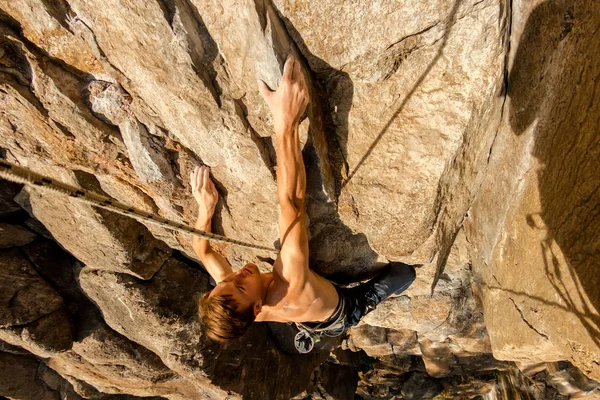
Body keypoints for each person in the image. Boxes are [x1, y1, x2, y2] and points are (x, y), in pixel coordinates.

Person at [192, 54, 416, 352]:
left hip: (307, 316)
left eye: (226, 281)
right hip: (342, 311)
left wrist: (205, 210)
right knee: (406, 274)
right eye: (241, 285)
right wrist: (286, 122)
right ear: (258, 308)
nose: (237, 275)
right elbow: (291, 201)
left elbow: (202, 248)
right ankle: (368, 304)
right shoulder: (290, 279)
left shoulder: (236, 302)